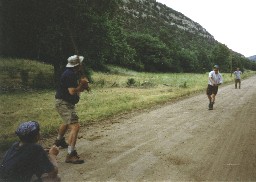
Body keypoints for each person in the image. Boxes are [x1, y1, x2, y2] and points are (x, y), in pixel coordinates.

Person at [54, 55, 89, 164]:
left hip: (66, 102)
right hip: (63, 103)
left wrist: (82, 86)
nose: (82, 64)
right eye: (81, 63)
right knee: (75, 126)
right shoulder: (69, 74)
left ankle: (59, 141)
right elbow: (72, 91)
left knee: (66, 122)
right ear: (77, 65)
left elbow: (77, 91)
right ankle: (71, 154)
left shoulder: (72, 73)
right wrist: (81, 85)